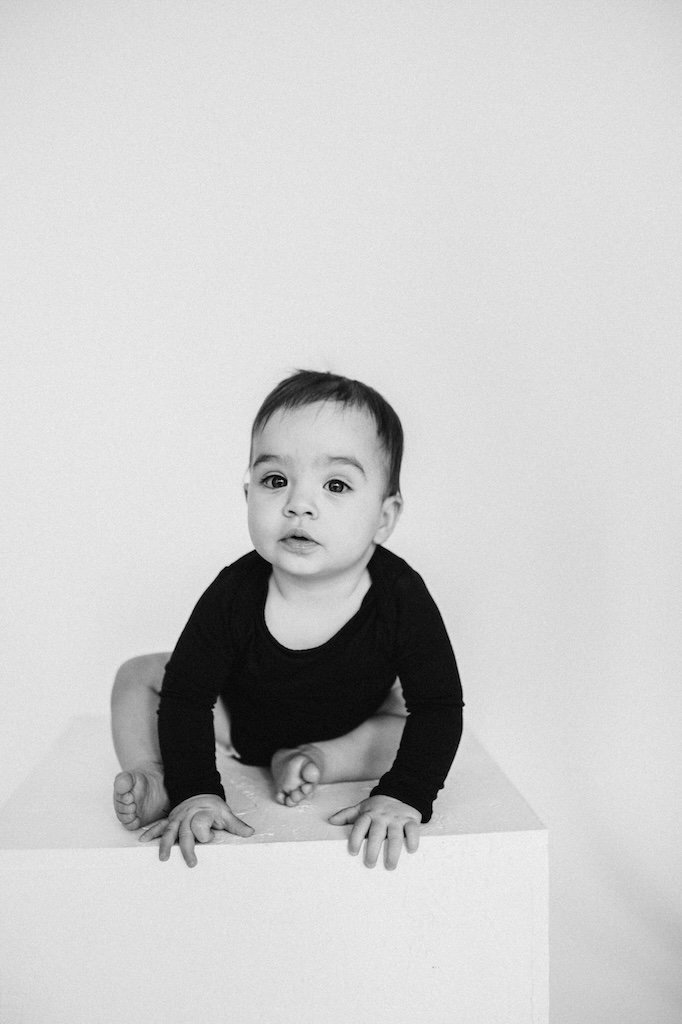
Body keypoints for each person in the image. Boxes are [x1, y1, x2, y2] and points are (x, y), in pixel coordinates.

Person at [111, 370, 464, 870]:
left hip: (353, 727)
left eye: (336, 484)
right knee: (139, 676)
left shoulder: (401, 595)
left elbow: (440, 705)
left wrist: (404, 794)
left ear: (384, 518)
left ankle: (314, 759)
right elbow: (189, 696)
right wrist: (196, 791)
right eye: (276, 480)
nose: (299, 504)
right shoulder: (235, 591)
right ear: (248, 494)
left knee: (405, 724)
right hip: (236, 721)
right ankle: (156, 775)